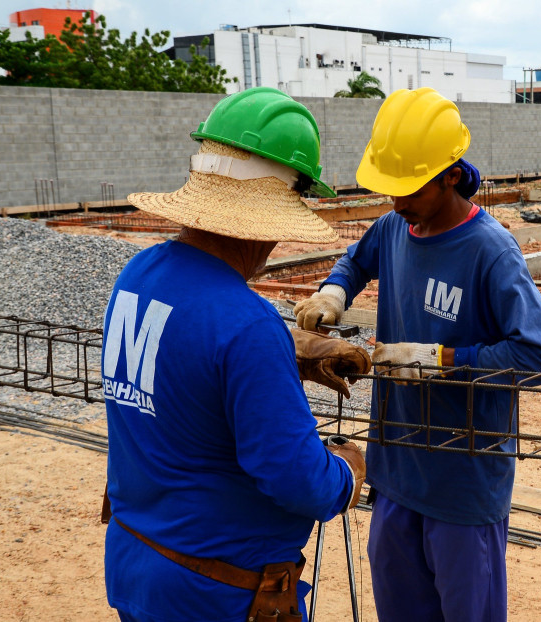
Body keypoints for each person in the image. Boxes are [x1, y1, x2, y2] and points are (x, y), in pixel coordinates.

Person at [294, 87, 541, 622]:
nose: (396, 203)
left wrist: (439, 361)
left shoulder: (490, 250)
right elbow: (356, 258)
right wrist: (334, 291)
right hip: (395, 473)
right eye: (388, 189)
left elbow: (539, 356)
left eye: (409, 189)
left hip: (462, 487)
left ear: (449, 174)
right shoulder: (395, 228)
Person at [101, 87, 371, 622]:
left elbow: (192, 355)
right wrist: (348, 469)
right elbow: (300, 482)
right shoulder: (246, 327)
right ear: (269, 217)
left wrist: (286, 352)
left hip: (138, 561)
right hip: (218, 592)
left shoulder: (138, 277)